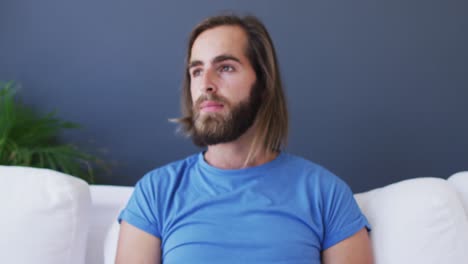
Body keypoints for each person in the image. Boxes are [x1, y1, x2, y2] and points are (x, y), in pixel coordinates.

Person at [116, 14, 373, 264]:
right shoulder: (155, 192)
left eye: (225, 68)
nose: (206, 84)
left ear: (262, 84)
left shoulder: (326, 193)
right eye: (196, 71)